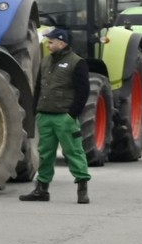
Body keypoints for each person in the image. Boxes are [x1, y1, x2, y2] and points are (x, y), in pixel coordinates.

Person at [20, 28, 92, 204]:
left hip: (64, 117)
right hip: (45, 116)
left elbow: (83, 91)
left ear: (62, 43)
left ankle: (82, 189)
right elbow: (38, 88)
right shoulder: (45, 62)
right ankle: (42, 189)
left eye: (51, 42)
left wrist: (71, 115)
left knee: (74, 152)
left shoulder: (77, 63)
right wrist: (36, 111)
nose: (47, 44)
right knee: (45, 153)